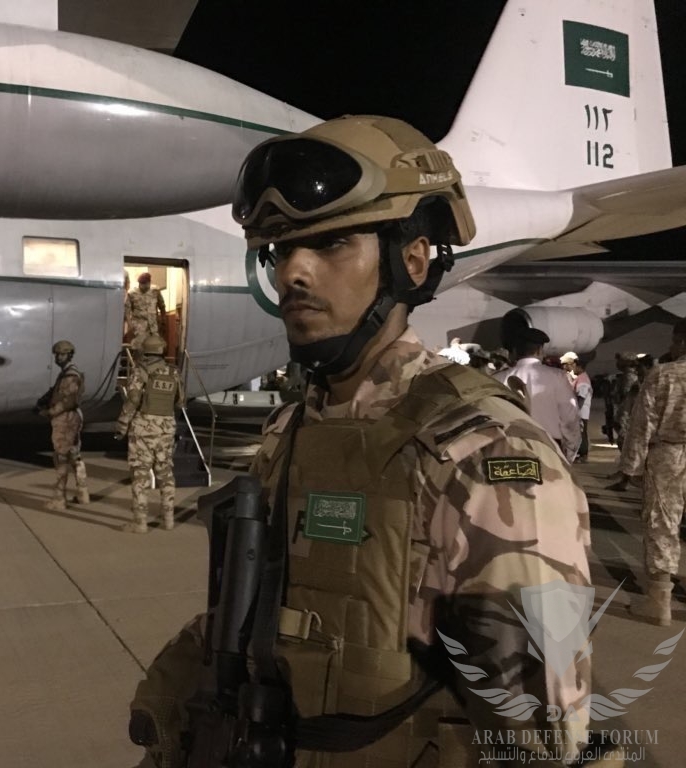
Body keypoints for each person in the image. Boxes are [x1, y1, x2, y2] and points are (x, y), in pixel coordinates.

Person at [128, 116, 604, 767]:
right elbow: (264, 617)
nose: (293, 271)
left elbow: (540, 734)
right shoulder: (293, 430)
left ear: (412, 261)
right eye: (280, 249)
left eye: (332, 244)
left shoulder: (485, 453)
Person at [614, 320, 686, 625]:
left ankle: (659, 602)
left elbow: (642, 424)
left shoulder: (663, 374)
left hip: (668, 455)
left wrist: (630, 467)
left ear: (681, 341)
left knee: (663, 524)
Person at [115, 334, 184, 533]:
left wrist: (122, 424)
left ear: (145, 351)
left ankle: (140, 522)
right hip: (166, 427)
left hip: (144, 428)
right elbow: (180, 401)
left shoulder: (140, 371)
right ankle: (168, 520)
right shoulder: (174, 372)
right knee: (166, 472)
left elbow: (134, 399)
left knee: (140, 474)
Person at [493, 328, 581, 463]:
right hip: (549, 446)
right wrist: (569, 452)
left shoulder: (498, 379)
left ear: (515, 351)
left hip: (511, 447)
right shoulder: (558, 377)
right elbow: (569, 417)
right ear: (540, 350)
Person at [36, 340, 89, 512]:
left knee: (61, 459)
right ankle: (83, 493)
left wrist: (49, 412)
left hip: (66, 419)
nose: (59, 357)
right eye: (57, 354)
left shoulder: (70, 375)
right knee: (74, 455)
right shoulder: (67, 373)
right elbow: (57, 392)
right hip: (71, 417)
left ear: (69, 355)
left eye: (62, 354)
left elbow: (69, 401)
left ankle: (59, 499)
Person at [124, 272, 168, 355]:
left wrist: (163, 320)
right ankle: (138, 362)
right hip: (139, 327)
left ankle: (154, 362)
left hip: (153, 327)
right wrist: (130, 325)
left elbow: (162, 306)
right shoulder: (132, 293)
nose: (144, 286)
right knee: (139, 349)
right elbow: (127, 310)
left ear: (149, 282)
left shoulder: (155, 291)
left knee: (155, 348)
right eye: (142, 284)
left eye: (146, 284)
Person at [562, 352, 593, 461]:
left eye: (574, 366)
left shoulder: (583, 380)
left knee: (582, 434)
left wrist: (576, 411)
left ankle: (583, 454)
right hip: (580, 411)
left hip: (581, 412)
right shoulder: (579, 378)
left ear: (580, 367)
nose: (573, 369)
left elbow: (581, 397)